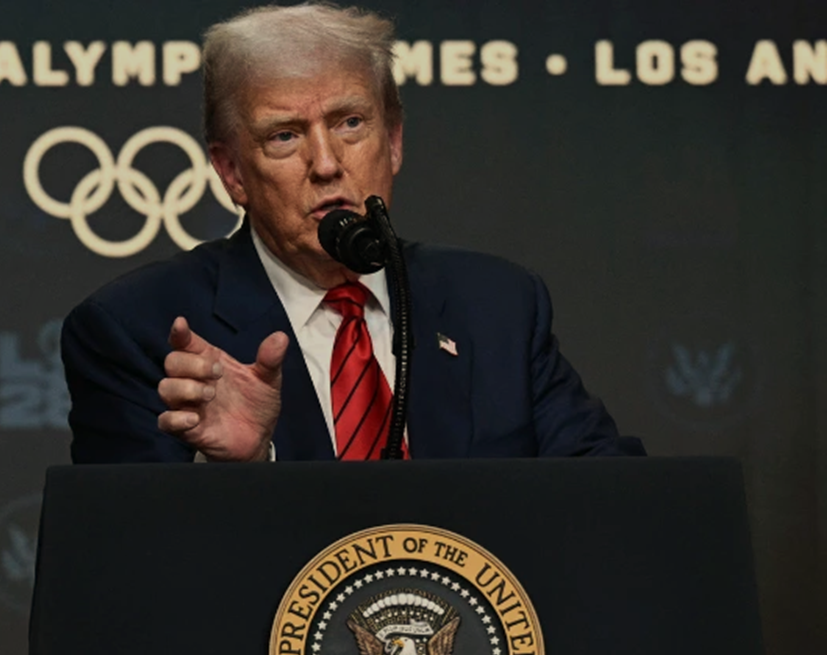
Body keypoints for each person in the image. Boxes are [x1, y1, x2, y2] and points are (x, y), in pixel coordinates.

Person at [61, 2, 646, 463]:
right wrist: (245, 468)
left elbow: (603, 492)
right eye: (284, 136)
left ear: (393, 142)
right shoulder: (142, 330)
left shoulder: (498, 304)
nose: (325, 163)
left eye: (350, 123)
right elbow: (130, 569)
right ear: (232, 171)